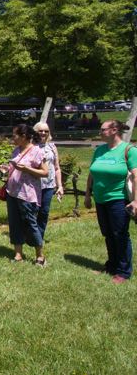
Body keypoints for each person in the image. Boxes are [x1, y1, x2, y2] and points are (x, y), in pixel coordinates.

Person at [84, 120, 136, 284]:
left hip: (118, 200)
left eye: (103, 129)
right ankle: (112, 266)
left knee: (119, 235)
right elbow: (91, 173)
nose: (100, 132)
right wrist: (87, 194)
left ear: (114, 130)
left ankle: (123, 271)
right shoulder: (100, 150)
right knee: (108, 234)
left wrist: (135, 201)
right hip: (100, 199)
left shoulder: (129, 150)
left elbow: (135, 176)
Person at [0, 124, 48, 265]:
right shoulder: (16, 151)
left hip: (27, 195)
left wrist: (27, 169)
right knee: (14, 224)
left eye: (14, 135)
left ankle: (40, 256)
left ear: (24, 136)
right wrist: (6, 168)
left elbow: (45, 172)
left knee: (30, 223)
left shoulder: (37, 152)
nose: (12, 138)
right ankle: (18, 254)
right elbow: (15, 167)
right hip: (12, 193)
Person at [33, 122, 64, 240]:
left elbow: (57, 168)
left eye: (46, 131)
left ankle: (39, 237)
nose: (43, 133)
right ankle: (30, 235)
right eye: (40, 131)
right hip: (33, 185)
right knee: (32, 211)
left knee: (44, 212)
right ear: (35, 132)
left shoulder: (52, 147)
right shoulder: (31, 146)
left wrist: (60, 186)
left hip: (49, 185)